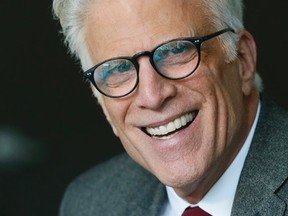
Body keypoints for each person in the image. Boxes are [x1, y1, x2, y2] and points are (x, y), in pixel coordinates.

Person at [52, 0, 288, 215]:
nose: (152, 96)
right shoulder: (88, 203)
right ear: (102, 103)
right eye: (118, 69)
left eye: (175, 50)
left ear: (242, 60)